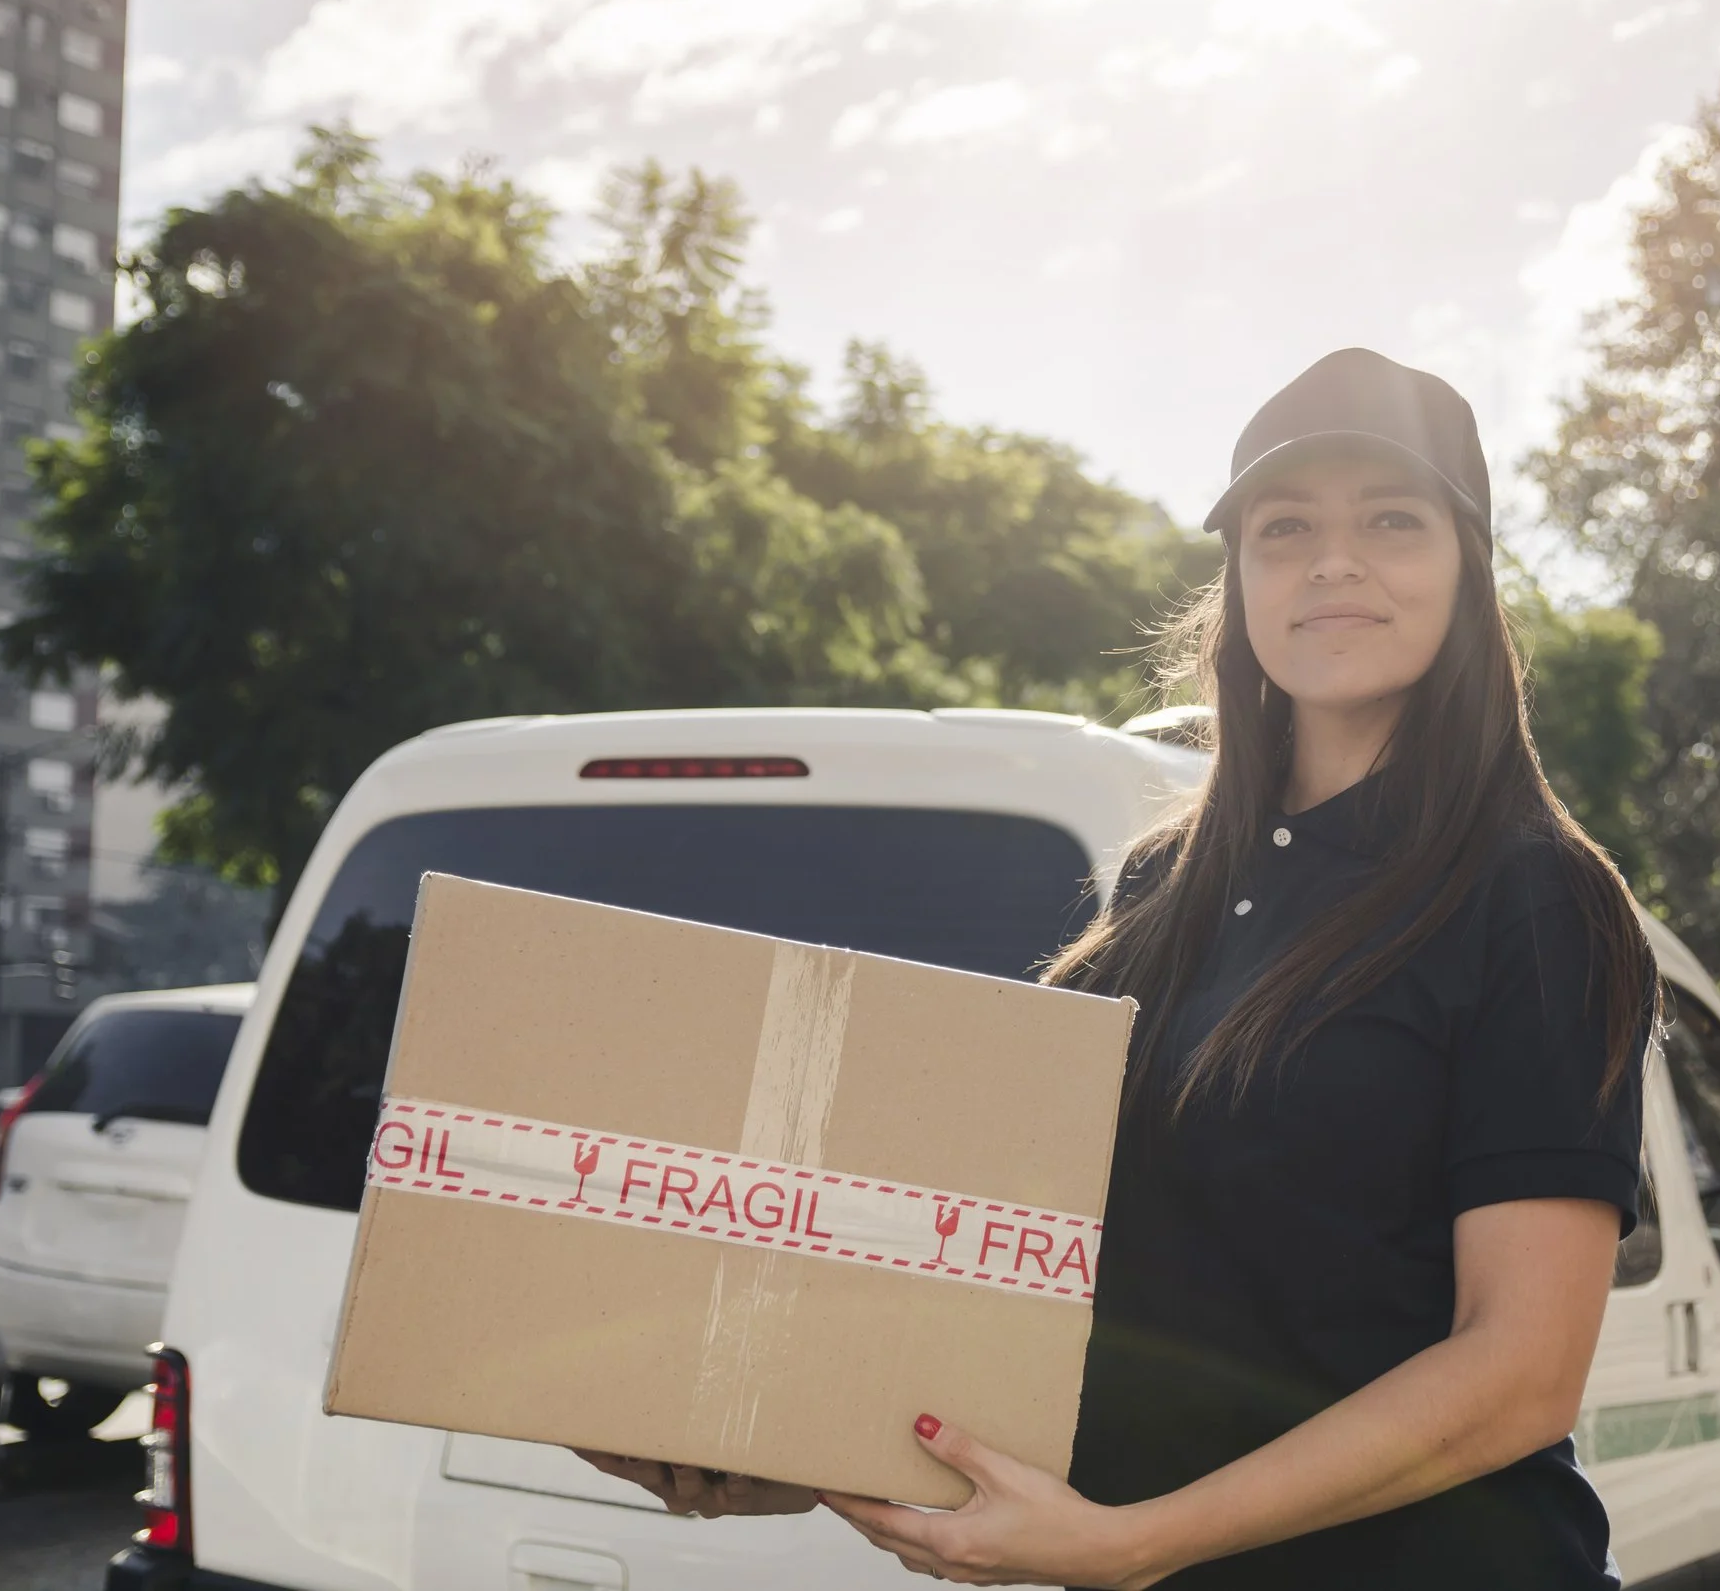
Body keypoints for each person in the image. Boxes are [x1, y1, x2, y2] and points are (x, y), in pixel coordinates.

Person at [586, 347, 1656, 1590]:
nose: (1332, 561)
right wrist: (766, 1445)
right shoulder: (1164, 886)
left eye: (1392, 521)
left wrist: (1135, 1540)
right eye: (1284, 526)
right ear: (1238, 577)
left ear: (1470, 571)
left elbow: (1519, 1371)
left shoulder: (1528, 896)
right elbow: (1053, 1294)